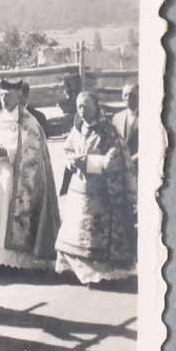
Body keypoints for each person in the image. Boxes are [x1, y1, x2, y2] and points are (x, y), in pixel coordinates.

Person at [0, 79, 60, 270]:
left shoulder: (29, 122)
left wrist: (8, 154)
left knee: (11, 219)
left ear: (18, 95)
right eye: (1, 95)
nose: (3, 99)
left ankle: (15, 261)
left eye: (7, 95)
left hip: (15, 180)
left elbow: (32, 152)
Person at [55, 91, 137, 285]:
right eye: (79, 106)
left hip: (101, 192)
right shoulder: (77, 128)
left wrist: (88, 162)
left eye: (85, 106)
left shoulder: (108, 130)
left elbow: (115, 158)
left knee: (96, 236)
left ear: (96, 106)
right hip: (79, 190)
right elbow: (68, 149)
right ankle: (78, 271)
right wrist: (71, 162)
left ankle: (99, 275)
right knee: (74, 233)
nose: (81, 110)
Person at [111, 80, 139, 171]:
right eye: (125, 95)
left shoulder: (148, 118)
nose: (128, 98)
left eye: (132, 95)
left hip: (140, 165)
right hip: (121, 167)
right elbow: (114, 142)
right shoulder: (117, 118)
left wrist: (132, 160)